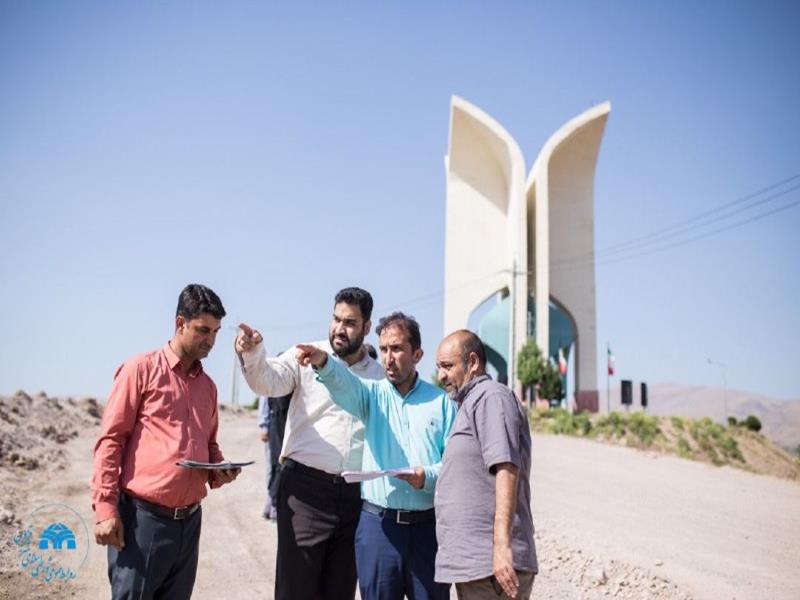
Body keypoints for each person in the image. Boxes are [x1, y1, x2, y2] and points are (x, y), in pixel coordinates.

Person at [91, 283, 240, 600]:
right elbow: (111, 441)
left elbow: (210, 447)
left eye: (215, 332)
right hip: (141, 522)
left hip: (190, 524)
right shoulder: (140, 370)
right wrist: (105, 508)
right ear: (179, 323)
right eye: (203, 330)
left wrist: (220, 469)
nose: (211, 341)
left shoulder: (208, 387)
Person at [235, 287, 383, 600]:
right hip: (305, 492)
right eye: (336, 319)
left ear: (367, 327)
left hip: (354, 499)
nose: (339, 329)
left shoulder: (379, 377)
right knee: (295, 591)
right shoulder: (305, 355)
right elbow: (266, 380)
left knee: (339, 592)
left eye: (350, 323)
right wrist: (253, 353)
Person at [296, 311, 456, 600]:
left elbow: (455, 466)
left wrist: (426, 476)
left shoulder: (442, 403)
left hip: (428, 531)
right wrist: (323, 362)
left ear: (417, 354)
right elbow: (344, 383)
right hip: (378, 529)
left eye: (396, 349)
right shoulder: (370, 395)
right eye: (383, 349)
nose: (388, 358)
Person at [433, 330, 537, 600]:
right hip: (478, 566)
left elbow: (506, 468)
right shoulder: (471, 402)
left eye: (448, 366)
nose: (441, 375)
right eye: (439, 367)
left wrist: (501, 547)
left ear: (473, 362)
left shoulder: (491, 397)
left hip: (491, 566)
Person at [257, 391, 292, 520]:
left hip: (285, 425)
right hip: (274, 424)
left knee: (280, 468)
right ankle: (272, 506)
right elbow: (265, 399)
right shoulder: (271, 383)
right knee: (274, 467)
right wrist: (264, 426)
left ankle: (272, 505)